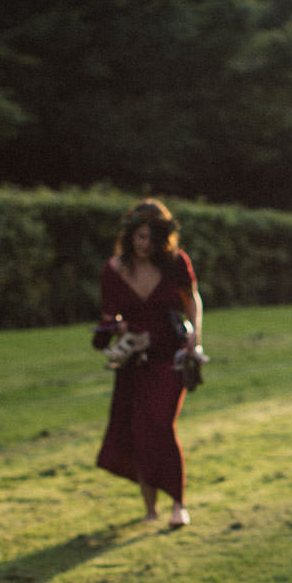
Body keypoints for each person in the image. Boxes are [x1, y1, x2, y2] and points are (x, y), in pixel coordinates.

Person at [94, 199, 203, 528]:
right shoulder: (113, 271)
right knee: (137, 431)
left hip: (169, 359)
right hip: (134, 363)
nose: (145, 245)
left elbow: (192, 298)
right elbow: (108, 319)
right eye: (140, 237)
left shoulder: (175, 264)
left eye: (152, 238)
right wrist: (118, 330)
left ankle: (178, 504)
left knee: (159, 424)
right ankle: (150, 509)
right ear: (129, 236)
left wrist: (196, 333)